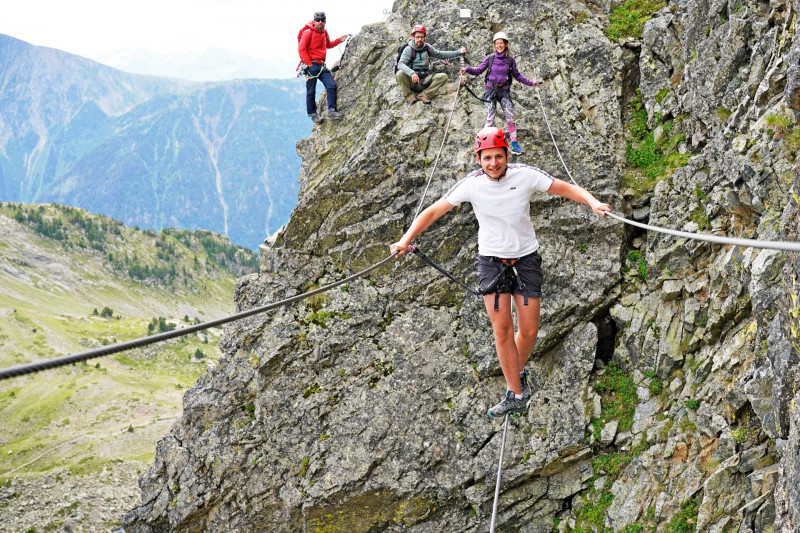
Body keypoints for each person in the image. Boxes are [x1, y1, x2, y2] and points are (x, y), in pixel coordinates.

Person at [389, 127, 611, 418]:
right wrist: (406, 240)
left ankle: (517, 372)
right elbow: (432, 212)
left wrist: (593, 202)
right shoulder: (471, 184)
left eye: (498, 156)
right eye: (487, 158)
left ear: (507, 154)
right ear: (478, 159)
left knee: (529, 329)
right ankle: (515, 392)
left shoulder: (526, 175)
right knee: (503, 329)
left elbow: (565, 188)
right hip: (492, 262)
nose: (493, 163)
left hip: (525, 260)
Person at [460, 32, 538, 155]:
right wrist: (467, 69)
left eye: (501, 43)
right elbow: (479, 70)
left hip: (504, 91)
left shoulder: (510, 60)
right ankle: (484, 144)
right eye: (497, 43)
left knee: (510, 116)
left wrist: (530, 83)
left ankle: (515, 145)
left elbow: (517, 75)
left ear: (506, 44)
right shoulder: (490, 58)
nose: (499, 45)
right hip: (491, 90)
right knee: (490, 117)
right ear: (494, 45)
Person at [298, 11, 350, 123]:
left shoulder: (324, 32)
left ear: (325, 22)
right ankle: (313, 114)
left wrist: (339, 40)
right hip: (311, 65)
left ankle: (332, 110)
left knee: (331, 85)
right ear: (314, 21)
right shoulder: (308, 33)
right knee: (311, 92)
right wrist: (309, 63)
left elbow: (328, 45)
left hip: (321, 65)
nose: (320, 22)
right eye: (318, 20)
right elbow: (301, 49)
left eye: (322, 20)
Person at [396, 25, 467, 105]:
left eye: (422, 37)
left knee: (443, 76)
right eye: (418, 37)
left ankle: (424, 95)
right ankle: (410, 97)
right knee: (400, 74)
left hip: (424, 80)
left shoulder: (427, 48)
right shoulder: (408, 49)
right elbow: (401, 64)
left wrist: (458, 52)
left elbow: (441, 54)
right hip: (412, 81)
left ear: (425, 37)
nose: (420, 39)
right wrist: (412, 73)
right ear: (413, 37)